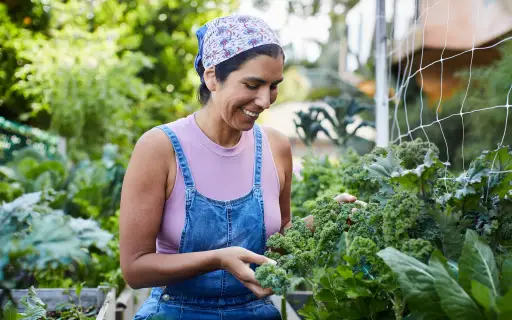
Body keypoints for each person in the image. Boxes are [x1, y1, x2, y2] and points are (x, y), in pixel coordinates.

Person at [119, 14, 356, 320]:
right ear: (212, 76)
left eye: (273, 86)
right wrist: (218, 259)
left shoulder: (276, 147)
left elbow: (278, 244)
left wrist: (328, 216)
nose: (265, 101)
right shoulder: (160, 148)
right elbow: (135, 269)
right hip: (175, 311)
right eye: (253, 84)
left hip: (255, 312)